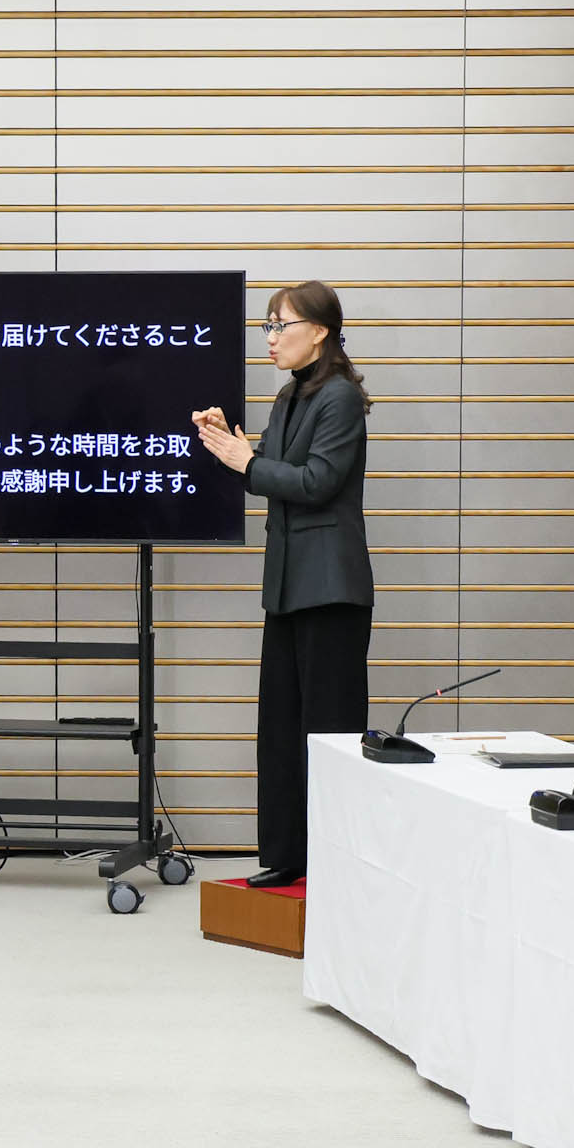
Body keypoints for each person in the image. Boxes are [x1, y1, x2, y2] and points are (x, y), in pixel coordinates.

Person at [192, 280, 372, 887]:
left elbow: (318, 481)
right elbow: (281, 470)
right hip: (290, 585)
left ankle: (334, 863)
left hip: (330, 586)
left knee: (328, 733)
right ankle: (290, 858)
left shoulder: (340, 396)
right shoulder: (292, 396)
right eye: (266, 326)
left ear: (319, 332)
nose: (269, 338)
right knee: (282, 726)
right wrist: (236, 445)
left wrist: (246, 462)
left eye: (280, 325)